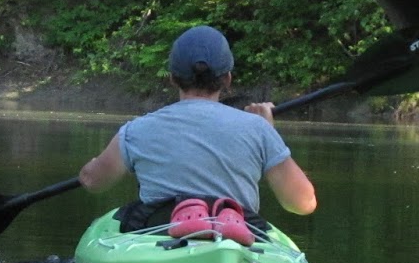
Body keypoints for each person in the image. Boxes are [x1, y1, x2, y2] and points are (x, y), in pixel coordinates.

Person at [77, 25, 317, 245]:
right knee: (243, 221)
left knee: (134, 215)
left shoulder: (137, 130)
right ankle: (223, 218)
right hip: (236, 236)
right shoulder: (258, 128)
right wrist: (269, 133)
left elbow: (94, 182)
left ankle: (188, 217)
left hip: (159, 230)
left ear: (171, 78)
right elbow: (303, 203)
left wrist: (90, 168)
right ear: (227, 79)